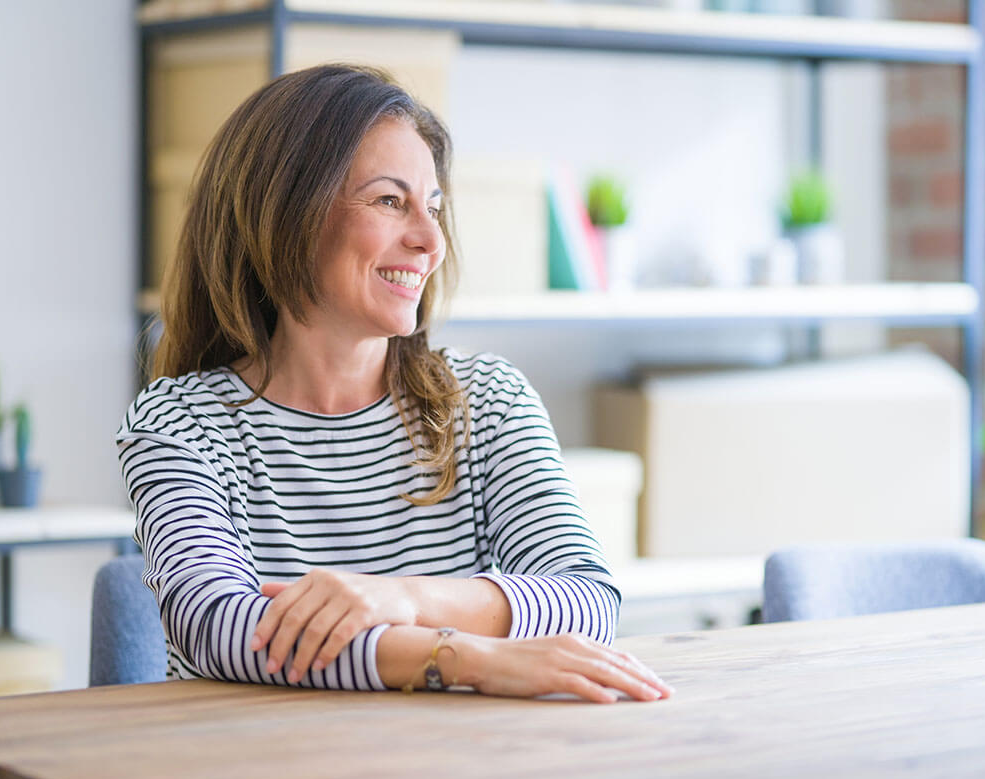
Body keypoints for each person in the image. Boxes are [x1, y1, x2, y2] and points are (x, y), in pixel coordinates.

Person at [116, 64, 671, 704]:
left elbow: (586, 598)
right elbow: (220, 627)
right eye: (389, 201)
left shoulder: (487, 400)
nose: (430, 240)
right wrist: (461, 658)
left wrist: (400, 596)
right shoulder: (179, 423)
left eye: (433, 207)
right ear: (284, 212)